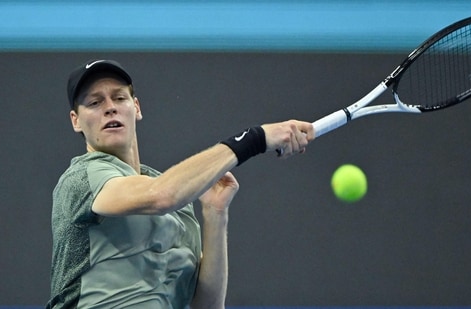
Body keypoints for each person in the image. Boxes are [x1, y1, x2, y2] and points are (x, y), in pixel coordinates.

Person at [47, 59, 315, 309]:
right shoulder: (82, 177)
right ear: (76, 121)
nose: (110, 107)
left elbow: (205, 306)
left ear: (136, 108)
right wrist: (255, 139)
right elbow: (161, 195)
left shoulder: (178, 202)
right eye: (94, 103)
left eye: (119, 97)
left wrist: (215, 214)